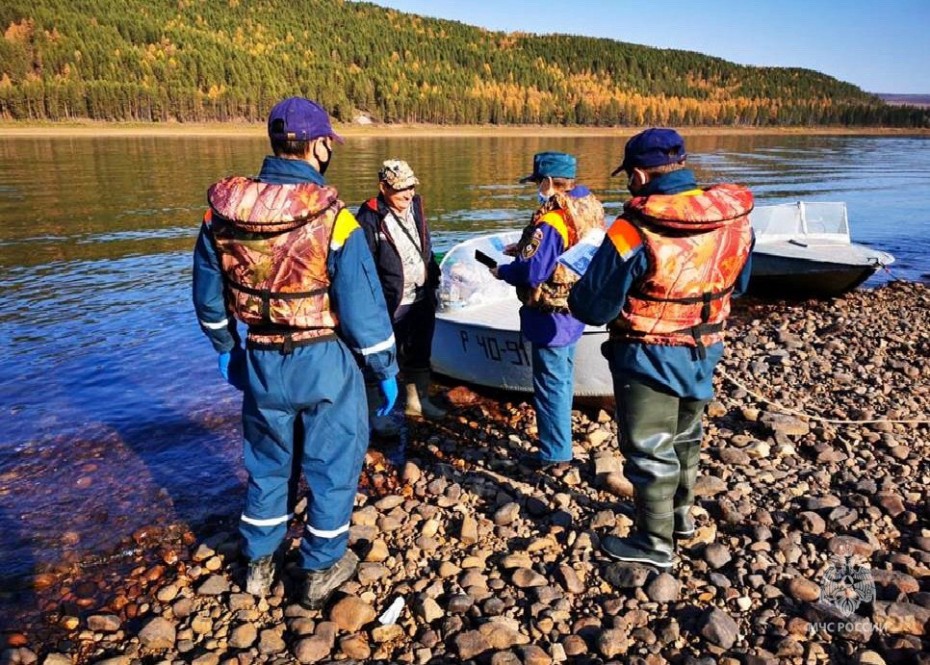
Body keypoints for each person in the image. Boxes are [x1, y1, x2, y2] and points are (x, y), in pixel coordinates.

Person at [192, 97, 399, 608]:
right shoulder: (336, 219)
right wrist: (384, 368)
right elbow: (364, 310)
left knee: (266, 461)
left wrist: (226, 347)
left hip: (260, 357)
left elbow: (206, 294)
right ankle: (318, 570)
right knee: (332, 465)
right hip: (323, 360)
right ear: (319, 145)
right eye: (330, 141)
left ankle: (259, 565)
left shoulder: (220, 214)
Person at [568, 128, 754, 569]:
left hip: (646, 353)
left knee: (650, 449)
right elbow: (741, 283)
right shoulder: (734, 218)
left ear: (638, 174)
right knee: (687, 436)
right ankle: (681, 518)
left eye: (629, 177)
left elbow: (593, 307)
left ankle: (654, 543)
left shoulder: (633, 228)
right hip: (705, 345)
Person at [490, 151, 605, 471]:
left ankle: (556, 455)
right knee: (562, 377)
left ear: (548, 182)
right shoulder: (588, 204)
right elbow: (572, 244)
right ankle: (561, 439)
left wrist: (504, 271)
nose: (537, 189)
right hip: (576, 305)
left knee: (550, 383)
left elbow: (532, 274)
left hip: (551, 312)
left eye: (538, 183)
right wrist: (526, 248)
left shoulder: (552, 219)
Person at [356, 159, 446, 435]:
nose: (407, 193)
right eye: (400, 189)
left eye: (410, 186)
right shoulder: (369, 216)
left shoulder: (416, 206)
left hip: (420, 296)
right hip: (389, 302)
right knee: (379, 359)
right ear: (383, 187)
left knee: (419, 352)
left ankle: (417, 403)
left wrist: (433, 275)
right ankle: (376, 416)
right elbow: (363, 265)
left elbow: (425, 245)